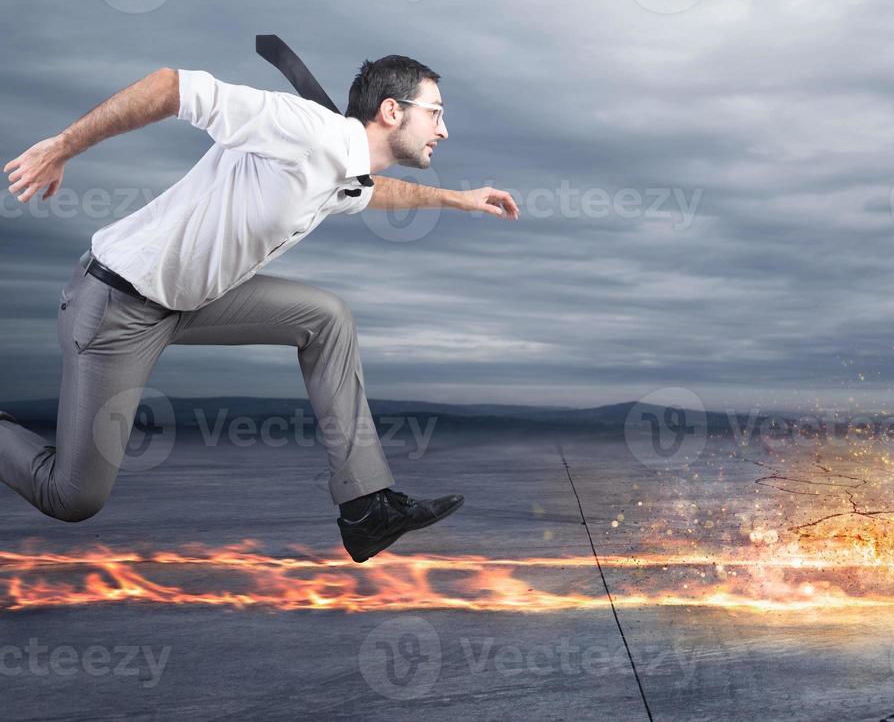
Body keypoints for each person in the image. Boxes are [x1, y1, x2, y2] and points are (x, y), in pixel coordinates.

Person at [0, 54, 518, 562]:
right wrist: (63, 146)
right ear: (391, 111)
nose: (443, 129)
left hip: (189, 301)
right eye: (436, 112)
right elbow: (169, 87)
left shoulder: (342, 168)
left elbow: (371, 192)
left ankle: (365, 509)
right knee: (72, 497)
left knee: (325, 317)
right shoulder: (304, 129)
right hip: (117, 303)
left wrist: (460, 199)